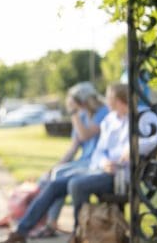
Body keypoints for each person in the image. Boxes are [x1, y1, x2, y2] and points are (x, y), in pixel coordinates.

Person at [0, 83, 157, 243]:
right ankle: (22, 231)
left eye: (109, 98)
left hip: (123, 176)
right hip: (103, 170)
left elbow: (155, 138)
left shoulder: (143, 116)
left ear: (118, 100)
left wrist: (132, 150)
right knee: (55, 184)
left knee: (76, 184)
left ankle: (79, 235)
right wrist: (104, 163)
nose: (107, 101)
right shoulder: (110, 119)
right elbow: (99, 151)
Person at [31, 82, 108, 237]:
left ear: (83, 100)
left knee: (60, 176)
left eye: (75, 102)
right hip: (83, 161)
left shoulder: (102, 113)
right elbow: (73, 148)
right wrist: (55, 166)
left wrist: (73, 113)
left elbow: (86, 135)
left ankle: (52, 224)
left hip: (95, 162)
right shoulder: (80, 115)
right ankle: (46, 222)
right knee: (52, 175)